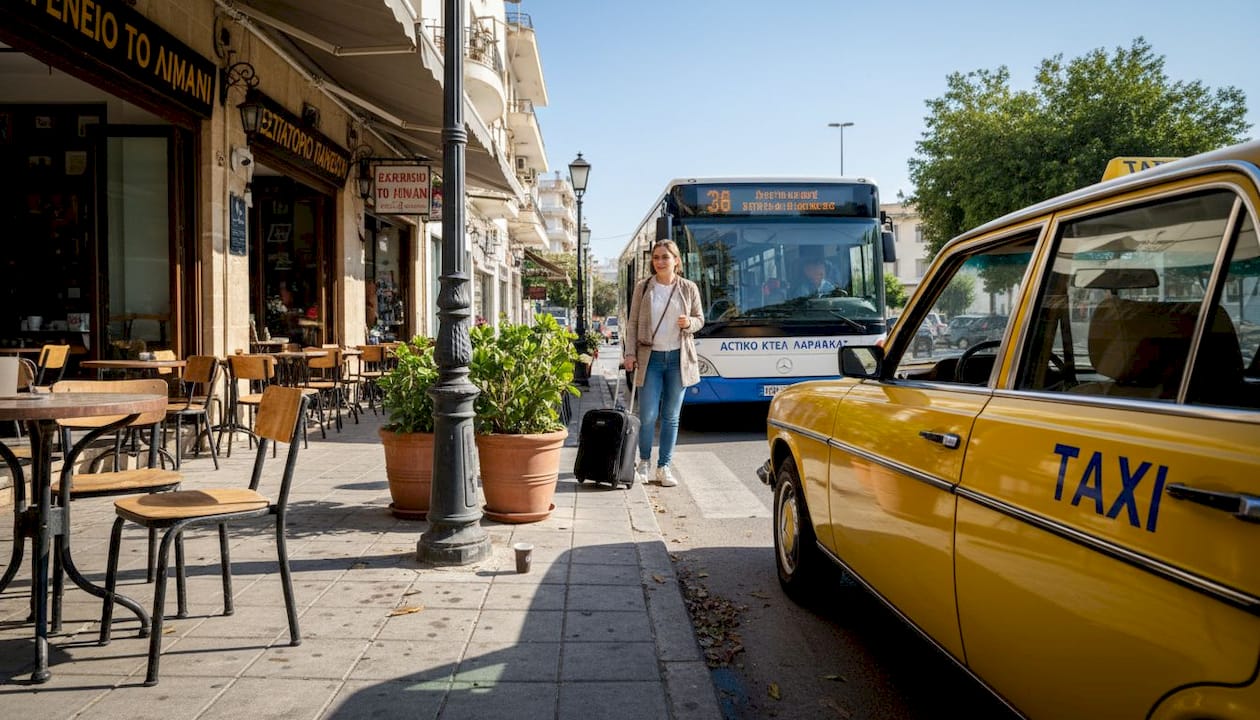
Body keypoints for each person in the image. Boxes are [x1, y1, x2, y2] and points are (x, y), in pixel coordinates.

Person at [622, 240, 705, 487]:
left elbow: (700, 319)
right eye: (656, 257)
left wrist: (689, 323)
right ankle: (644, 462)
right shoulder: (643, 288)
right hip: (651, 359)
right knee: (648, 414)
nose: (660, 261)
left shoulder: (688, 288)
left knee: (671, 416)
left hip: (679, 359)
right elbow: (632, 324)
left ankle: (664, 467)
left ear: (676, 261)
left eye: (665, 257)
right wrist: (629, 353)